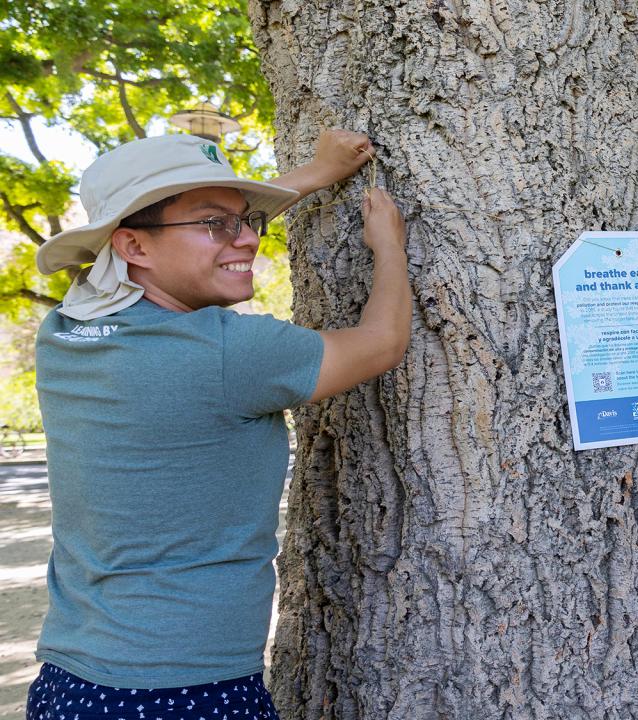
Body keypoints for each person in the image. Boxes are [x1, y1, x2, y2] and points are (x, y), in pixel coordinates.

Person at [26, 130, 411, 719]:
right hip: (181, 690)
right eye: (217, 225)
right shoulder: (230, 353)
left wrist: (314, 172)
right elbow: (381, 343)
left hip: (72, 678)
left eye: (248, 218)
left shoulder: (68, 331)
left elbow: (176, 231)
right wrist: (390, 246)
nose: (250, 238)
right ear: (134, 246)